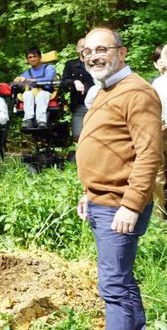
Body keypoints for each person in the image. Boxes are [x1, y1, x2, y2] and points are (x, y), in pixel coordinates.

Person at [75, 27, 162, 330]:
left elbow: (149, 154)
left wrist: (133, 204)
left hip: (119, 206)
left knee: (113, 285)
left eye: (102, 50)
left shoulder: (136, 92)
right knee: (119, 280)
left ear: (122, 52)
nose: (93, 57)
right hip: (101, 200)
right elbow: (109, 147)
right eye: (87, 51)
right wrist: (88, 191)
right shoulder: (106, 90)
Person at [60, 38, 95, 140]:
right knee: (77, 136)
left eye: (87, 46)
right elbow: (64, 83)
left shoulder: (98, 63)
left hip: (96, 105)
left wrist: (86, 87)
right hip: (78, 105)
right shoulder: (70, 64)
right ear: (77, 49)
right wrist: (74, 82)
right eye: (82, 47)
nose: (85, 49)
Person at [13, 47, 56, 128]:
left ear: (40, 57)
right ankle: (28, 120)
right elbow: (20, 85)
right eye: (30, 57)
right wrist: (18, 81)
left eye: (35, 56)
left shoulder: (49, 68)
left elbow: (49, 78)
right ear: (27, 60)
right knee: (27, 94)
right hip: (32, 93)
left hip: (46, 92)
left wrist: (32, 80)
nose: (32, 59)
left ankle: (42, 121)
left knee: (41, 95)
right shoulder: (27, 73)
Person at [151, 45, 167, 217]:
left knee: (160, 175)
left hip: (161, 128)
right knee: (160, 174)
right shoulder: (157, 82)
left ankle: (160, 214)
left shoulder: (158, 83)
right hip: (162, 130)